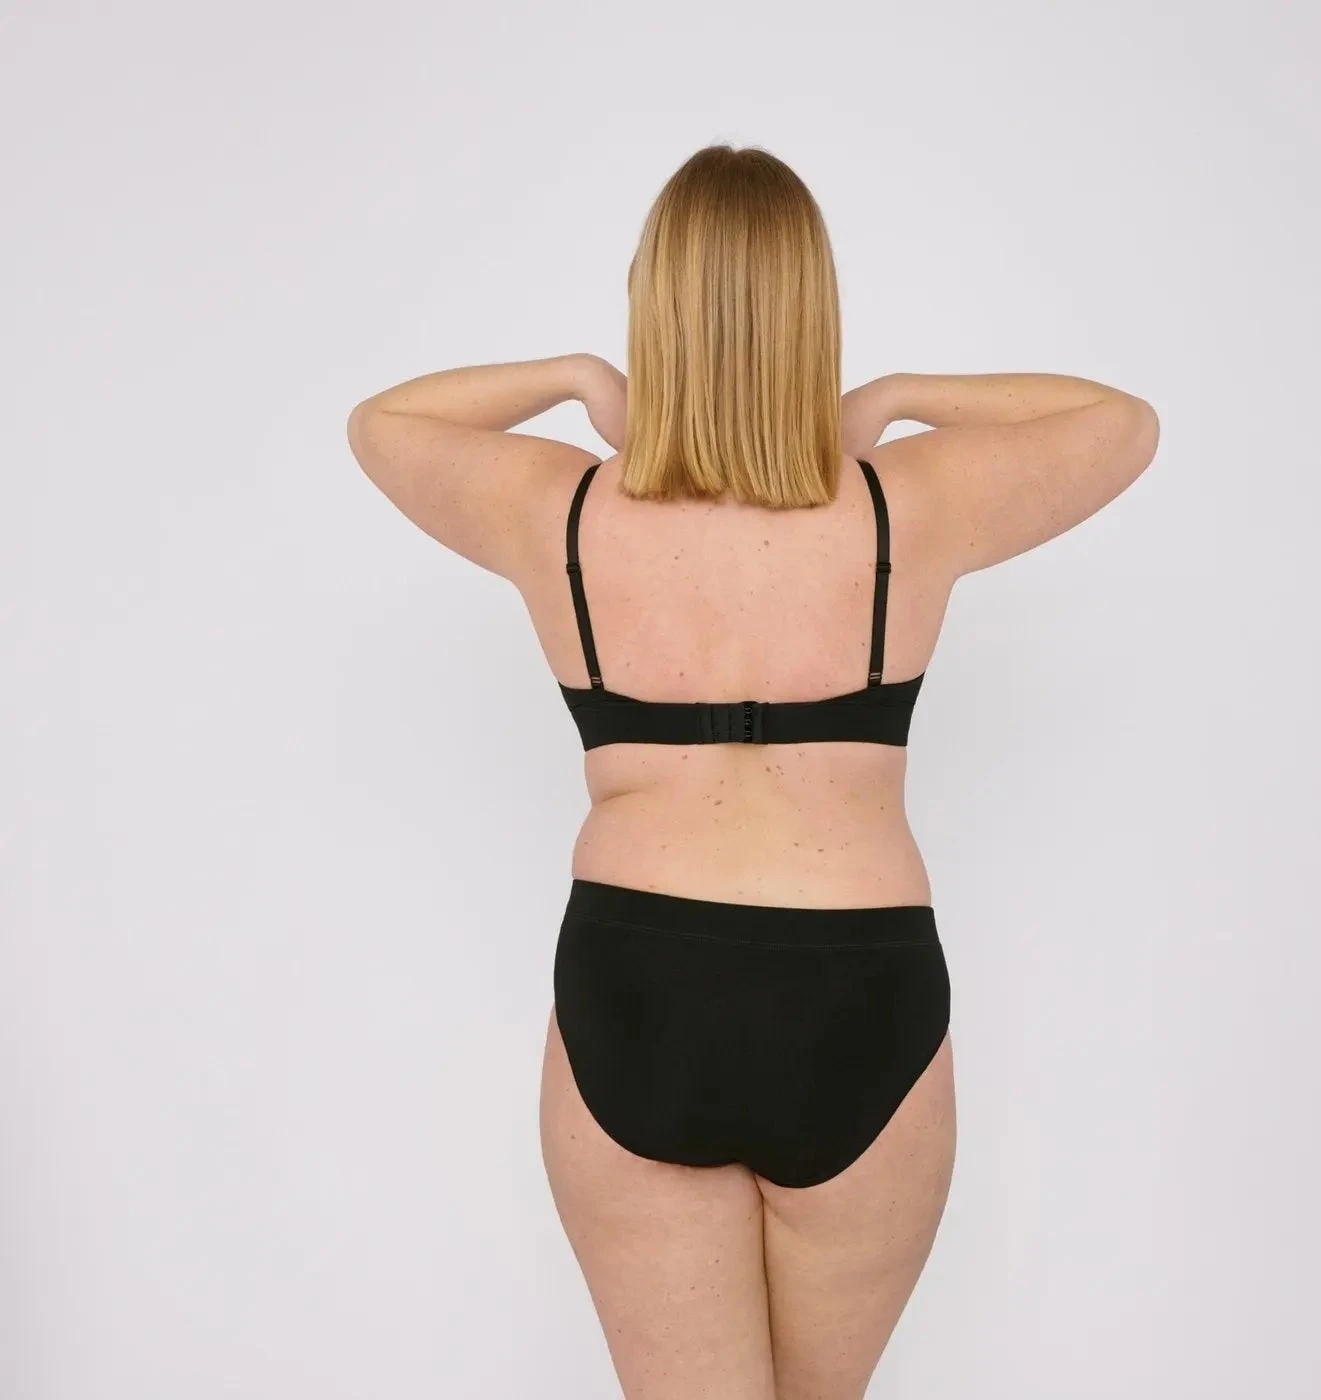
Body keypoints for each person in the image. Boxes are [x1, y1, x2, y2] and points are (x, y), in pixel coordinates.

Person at [345, 143, 1158, 1400]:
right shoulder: (907, 503)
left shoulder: (561, 510)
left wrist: (581, 380)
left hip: (638, 989)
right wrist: (891, 398)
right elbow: (1121, 425)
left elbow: (383, 425)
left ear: (652, 303)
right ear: (814, 309)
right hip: (859, 992)